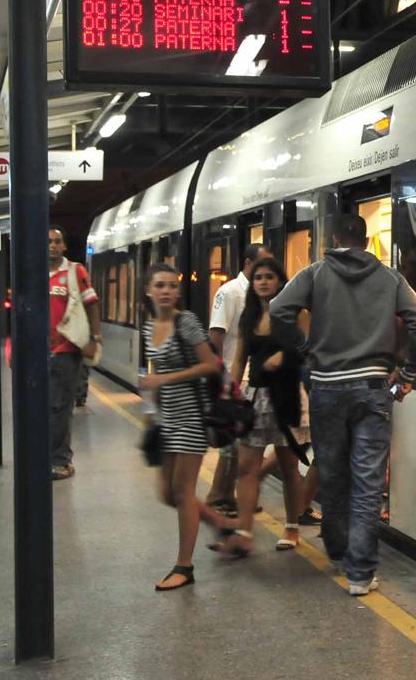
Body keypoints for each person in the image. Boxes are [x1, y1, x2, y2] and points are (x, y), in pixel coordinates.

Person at [270, 214, 416, 596]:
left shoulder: (315, 273)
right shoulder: (390, 278)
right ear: (366, 240)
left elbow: (278, 309)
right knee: (368, 482)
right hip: (374, 388)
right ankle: (360, 573)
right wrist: (408, 373)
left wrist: (303, 347)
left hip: (326, 387)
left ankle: (340, 550)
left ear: (336, 237)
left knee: (332, 472)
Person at [140, 262, 227, 591]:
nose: (165, 291)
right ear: (148, 290)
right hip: (167, 419)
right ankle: (222, 524)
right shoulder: (150, 327)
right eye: (159, 285)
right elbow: (153, 374)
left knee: (183, 492)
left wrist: (165, 377)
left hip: (192, 416)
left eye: (171, 285)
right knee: (167, 493)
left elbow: (209, 365)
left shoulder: (186, 322)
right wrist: (151, 415)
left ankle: (184, 567)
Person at [217, 257, 309, 556]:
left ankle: (292, 527)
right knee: (247, 467)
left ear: (281, 281)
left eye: (270, 277)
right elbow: (240, 359)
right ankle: (244, 529)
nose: (263, 282)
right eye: (258, 278)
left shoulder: (296, 315)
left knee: (288, 466)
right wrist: (230, 392)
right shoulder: (249, 316)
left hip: (287, 397)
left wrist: (284, 358)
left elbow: (308, 349)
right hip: (255, 396)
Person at [203, 243, 273, 517]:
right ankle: (220, 496)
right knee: (235, 445)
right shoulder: (230, 291)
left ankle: (230, 494)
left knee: (242, 444)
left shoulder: (259, 295)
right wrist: (221, 376)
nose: (267, 272)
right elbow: (216, 334)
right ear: (248, 263)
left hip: (252, 380)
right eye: (262, 264)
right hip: (236, 377)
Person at [48, 225, 101, 481]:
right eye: (48, 242)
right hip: (39, 353)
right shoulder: (35, 274)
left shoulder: (74, 272)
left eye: (57, 241)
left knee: (60, 407)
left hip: (67, 351)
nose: (53, 246)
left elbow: (92, 304)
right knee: (43, 407)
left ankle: (60, 460)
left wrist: (95, 337)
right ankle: (46, 455)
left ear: (64, 246)